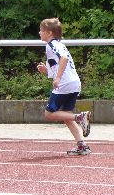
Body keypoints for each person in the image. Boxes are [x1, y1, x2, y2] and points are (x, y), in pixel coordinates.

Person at [36, 18, 91, 155]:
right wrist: (47, 71)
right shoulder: (57, 45)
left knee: (49, 114)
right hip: (74, 83)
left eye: (41, 30)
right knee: (67, 116)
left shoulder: (52, 45)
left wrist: (58, 78)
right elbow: (58, 65)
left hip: (65, 84)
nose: (39, 32)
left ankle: (80, 117)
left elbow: (64, 58)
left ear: (49, 33)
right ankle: (82, 145)